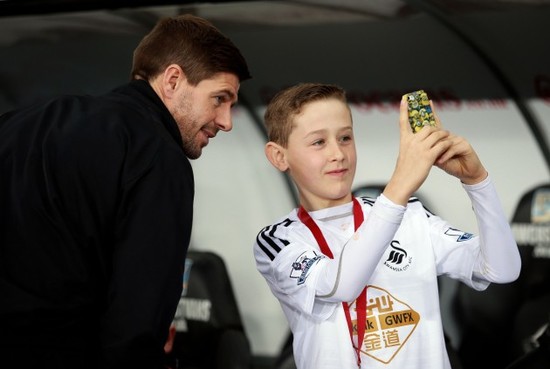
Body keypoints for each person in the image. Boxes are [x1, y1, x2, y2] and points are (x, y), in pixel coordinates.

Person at [0, 14, 250, 369]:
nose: (225, 121)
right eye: (219, 98)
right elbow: (137, 321)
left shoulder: (22, 124)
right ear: (173, 80)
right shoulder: (158, 157)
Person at [253, 83, 521, 369]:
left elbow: (502, 270)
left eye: (345, 137)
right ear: (279, 156)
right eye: (319, 142)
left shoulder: (410, 214)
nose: (338, 154)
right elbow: (341, 286)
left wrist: (477, 181)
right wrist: (402, 180)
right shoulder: (279, 240)